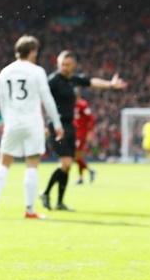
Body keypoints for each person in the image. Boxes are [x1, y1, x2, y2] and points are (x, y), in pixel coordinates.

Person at [0, 35, 63, 220]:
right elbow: (47, 99)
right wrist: (56, 123)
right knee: (32, 164)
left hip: (13, 122)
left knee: (4, 163)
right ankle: (29, 209)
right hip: (32, 123)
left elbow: (2, 102)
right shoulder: (37, 71)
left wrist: (7, 121)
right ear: (33, 51)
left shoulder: (4, 72)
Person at [40, 51, 127, 211]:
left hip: (70, 126)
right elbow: (41, 99)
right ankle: (45, 193)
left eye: (67, 64)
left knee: (68, 165)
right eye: (62, 64)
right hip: (56, 125)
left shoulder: (73, 80)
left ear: (73, 65)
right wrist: (42, 123)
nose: (64, 67)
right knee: (65, 162)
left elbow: (91, 82)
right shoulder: (52, 81)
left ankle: (59, 202)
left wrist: (110, 84)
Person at [73, 89, 96, 184]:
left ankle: (89, 171)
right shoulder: (72, 105)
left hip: (81, 134)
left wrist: (90, 132)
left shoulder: (82, 104)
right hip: (75, 133)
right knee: (78, 156)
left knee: (75, 156)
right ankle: (82, 177)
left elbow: (91, 119)